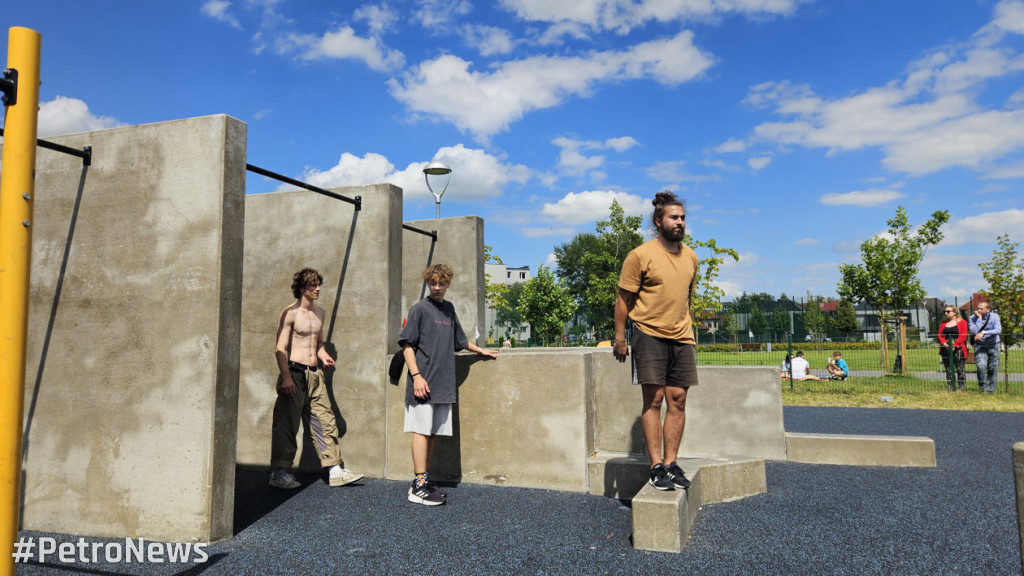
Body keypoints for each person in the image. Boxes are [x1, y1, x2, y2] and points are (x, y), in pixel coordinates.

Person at [613, 191, 698, 492]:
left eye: (683, 218)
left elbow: (686, 297)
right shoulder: (640, 255)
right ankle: (655, 467)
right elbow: (623, 300)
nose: (680, 222)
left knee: (678, 400)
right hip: (648, 335)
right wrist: (620, 337)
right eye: (674, 217)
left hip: (682, 337)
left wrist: (687, 329)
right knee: (654, 400)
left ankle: (672, 464)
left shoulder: (691, 256)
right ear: (658, 221)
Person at [399, 264, 498, 505]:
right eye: (433, 283)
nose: (437, 287)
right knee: (421, 431)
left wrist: (479, 349)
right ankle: (418, 485)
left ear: (448, 284)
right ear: (428, 283)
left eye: (441, 283)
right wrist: (416, 376)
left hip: (442, 385)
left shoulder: (449, 309)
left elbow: (460, 341)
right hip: (423, 383)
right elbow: (406, 345)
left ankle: (424, 480)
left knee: (431, 434)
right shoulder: (420, 309)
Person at [269, 267, 363, 489]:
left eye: (319, 284)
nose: (318, 288)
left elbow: (318, 343)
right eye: (313, 285)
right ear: (302, 288)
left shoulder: (320, 313)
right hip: (293, 373)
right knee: (287, 424)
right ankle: (279, 473)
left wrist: (324, 356)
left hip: (315, 375)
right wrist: (286, 378)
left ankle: (335, 470)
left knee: (325, 420)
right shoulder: (290, 313)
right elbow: (280, 348)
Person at [968, 301, 1002, 394]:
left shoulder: (994, 317)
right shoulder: (972, 318)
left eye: (981, 309)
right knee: (981, 367)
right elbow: (974, 330)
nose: (978, 310)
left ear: (988, 309)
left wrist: (984, 332)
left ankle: (991, 390)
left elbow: (998, 330)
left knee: (992, 368)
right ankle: (983, 389)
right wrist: (979, 318)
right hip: (980, 346)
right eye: (977, 308)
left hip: (993, 345)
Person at [937, 306, 968, 391]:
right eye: (945, 311)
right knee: (948, 369)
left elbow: (963, 336)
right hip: (945, 348)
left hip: (958, 348)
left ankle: (961, 387)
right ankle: (950, 386)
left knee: (960, 368)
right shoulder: (943, 323)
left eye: (948, 311)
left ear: (955, 312)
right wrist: (944, 343)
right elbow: (940, 335)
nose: (946, 313)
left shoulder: (962, 322)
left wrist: (954, 344)